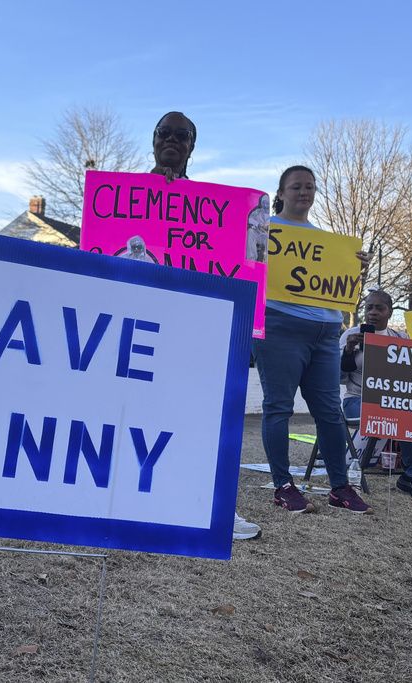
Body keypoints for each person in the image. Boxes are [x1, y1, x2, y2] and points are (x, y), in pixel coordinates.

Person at [150, 111, 261, 541]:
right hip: (138, 327)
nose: (173, 140)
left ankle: (212, 508)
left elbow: (241, 263)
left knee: (200, 419)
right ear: (154, 140)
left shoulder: (211, 209)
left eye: (183, 136)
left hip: (188, 330)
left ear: (192, 147)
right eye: (166, 133)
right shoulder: (121, 197)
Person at [254, 165, 374, 515]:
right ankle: (283, 486)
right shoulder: (264, 230)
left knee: (329, 412)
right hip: (279, 326)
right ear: (280, 193)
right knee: (279, 406)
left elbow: (340, 286)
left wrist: (355, 269)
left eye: (309, 187)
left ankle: (340, 488)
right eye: (295, 187)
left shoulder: (327, 242)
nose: (303, 193)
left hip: (326, 330)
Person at [340, 289, 412, 500]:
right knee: (398, 412)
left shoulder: (401, 338)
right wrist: (348, 351)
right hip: (358, 401)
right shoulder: (351, 335)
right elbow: (337, 377)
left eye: (379, 308)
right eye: (369, 307)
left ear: (389, 312)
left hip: (395, 403)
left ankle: (410, 475)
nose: (372, 313)